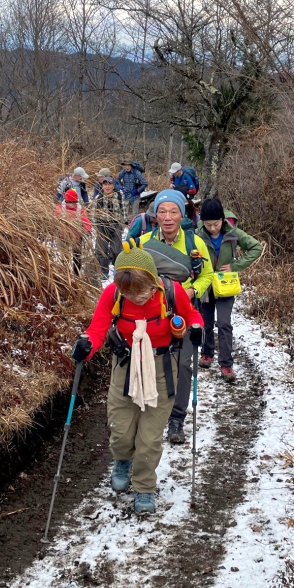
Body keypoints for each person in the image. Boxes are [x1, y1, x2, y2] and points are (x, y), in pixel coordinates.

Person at [72, 247, 204, 514]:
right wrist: (86, 346)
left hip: (161, 365)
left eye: (141, 293)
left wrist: (197, 329)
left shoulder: (171, 292)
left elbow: (193, 317)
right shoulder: (113, 294)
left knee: (150, 436)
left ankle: (144, 487)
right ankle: (122, 459)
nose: (136, 298)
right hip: (125, 364)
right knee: (120, 429)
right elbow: (97, 328)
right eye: (129, 294)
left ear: (153, 281)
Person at [140, 189, 214, 445]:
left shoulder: (195, 243)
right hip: (152, 314)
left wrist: (192, 290)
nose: (168, 217)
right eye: (162, 211)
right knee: (153, 362)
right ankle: (151, 411)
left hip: (185, 313)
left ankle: (177, 418)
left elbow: (208, 275)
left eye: (173, 211)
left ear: (181, 214)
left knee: (183, 365)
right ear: (155, 214)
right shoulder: (145, 243)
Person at [195, 198, 263, 383]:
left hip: (225, 286)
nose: (213, 228)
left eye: (216, 223)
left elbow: (256, 247)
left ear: (222, 220)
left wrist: (236, 266)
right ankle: (207, 353)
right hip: (206, 286)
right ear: (203, 222)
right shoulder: (197, 235)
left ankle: (226, 364)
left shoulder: (233, 233)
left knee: (224, 324)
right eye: (208, 224)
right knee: (205, 323)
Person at [90, 173, 128, 278]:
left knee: (117, 249)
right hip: (102, 225)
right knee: (103, 250)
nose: (107, 187)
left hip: (116, 225)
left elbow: (124, 210)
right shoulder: (99, 198)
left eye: (109, 184)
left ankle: (117, 269)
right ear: (102, 186)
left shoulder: (119, 196)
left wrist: (124, 222)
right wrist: (96, 226)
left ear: (113, 186)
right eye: (105, 184)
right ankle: (104, 272)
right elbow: (93, 213)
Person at [55, 188, 92, 276]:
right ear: (66, 201)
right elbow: (55, 220)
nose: (71, 204)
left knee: (77, 256)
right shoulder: (60, 208)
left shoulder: (80, 209)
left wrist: (87, 230)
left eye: (73, 202)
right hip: (63, 236)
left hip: (77, 236)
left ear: (76, 201)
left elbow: (85, 220)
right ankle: (65, 273)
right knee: (65, 256)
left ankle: (76, 274)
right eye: (69, 202)